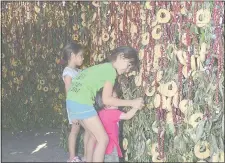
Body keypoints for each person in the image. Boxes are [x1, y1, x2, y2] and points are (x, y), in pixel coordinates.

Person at [66, 46, 144, 162]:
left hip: (72, 101)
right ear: (121, 57)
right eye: (128, 65)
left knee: (93, 135)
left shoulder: (102, 67)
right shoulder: (110, 71)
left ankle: (88, 159)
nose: (127, 70)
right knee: (103, 139)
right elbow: (107, 100)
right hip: (82, 101)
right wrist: (132, 103)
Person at [94, 82, 143, 162]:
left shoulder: (101, 112)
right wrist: (136, 107)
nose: (118, 100)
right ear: (106, 103)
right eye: (115, 99)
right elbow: (127, 116)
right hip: (111, 147)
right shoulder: (113, 112)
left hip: (100, 147)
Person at [62, 42, 89, 162]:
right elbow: (69, 93)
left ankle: (78, 156)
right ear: (72, 55)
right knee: (84, 130)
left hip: (81, 105)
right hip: (75, 107)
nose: (83, 58)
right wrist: (72, 112)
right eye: (81, 56)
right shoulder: (68, 73)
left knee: (76, 130)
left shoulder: (77, 71)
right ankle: (74, 157)